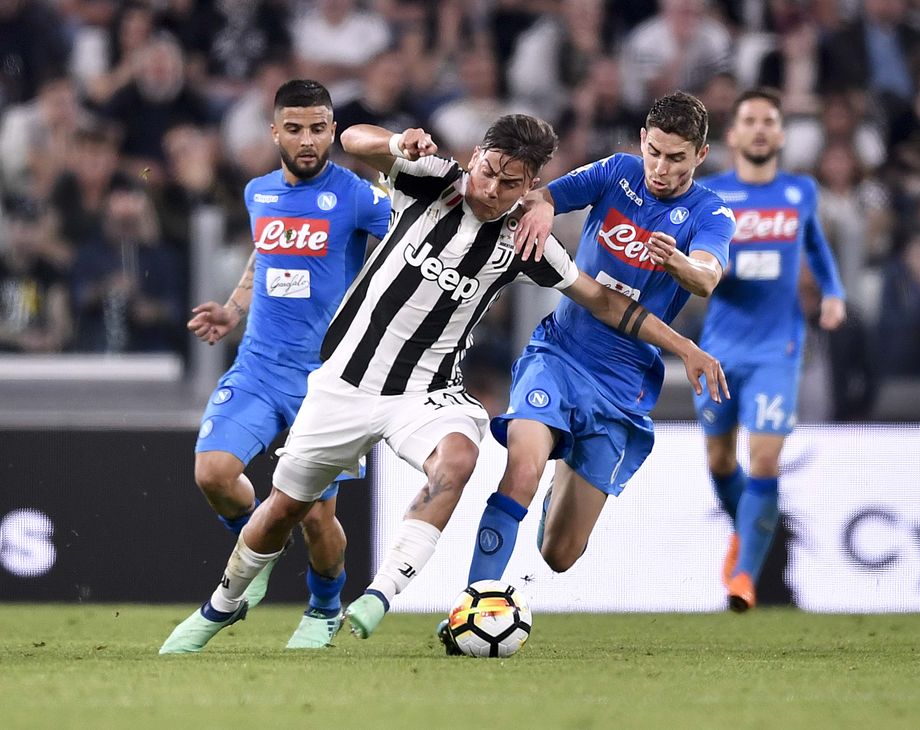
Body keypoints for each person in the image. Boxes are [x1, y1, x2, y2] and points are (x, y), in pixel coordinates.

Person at [160, 113, 725, 654]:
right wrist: (394, 142)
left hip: (424, 393)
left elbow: (605, 302)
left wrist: (686, 348)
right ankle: (219, 605)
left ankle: (381, 594)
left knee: (458, 457)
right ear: (475, 156)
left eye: (511, 185)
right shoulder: (431, 179)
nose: (492, 190)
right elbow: (353, 139)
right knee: (286, 509)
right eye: (488, 171)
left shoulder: (526, 242)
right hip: (344, 384)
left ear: (529, 188)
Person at [455, 91, 734, 652]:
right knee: (522, 468)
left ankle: (566, 472)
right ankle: (472, 606)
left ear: (700, 155)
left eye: (676, 158)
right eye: (654, 152)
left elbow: (706, 276)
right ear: (641, 142)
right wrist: (539, 206)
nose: (661, 167)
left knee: (560, 555)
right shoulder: (617, 172)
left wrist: (678, 262)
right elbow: (546, 195)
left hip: (621, 385)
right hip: (559, 353)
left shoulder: (711, 213)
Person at [182, 79, 391, 650]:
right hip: (257, 367)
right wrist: (232, 308)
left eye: (318, 128)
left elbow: (411, 239)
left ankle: (324, 608)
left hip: (326, 382)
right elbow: (266, 253)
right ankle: (259, 547)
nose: (306, 140)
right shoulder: (259, 193)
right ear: (274, 130)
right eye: (294, 128)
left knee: (317, 517)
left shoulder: (356, 196)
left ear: (332, 131)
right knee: (213, 474)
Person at [695, 88, 846, 612]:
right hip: (719, 348)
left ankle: (742, 577)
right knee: (719, 459)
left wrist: (833, 293)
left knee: (763, 460)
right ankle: (746, 533)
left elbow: (816, 248)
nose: (760, 129)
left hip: (777, 349)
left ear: (780, 134)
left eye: (769, 121)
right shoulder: (710, 193)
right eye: (750, 121)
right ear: (733, 136)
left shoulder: (800, 192)